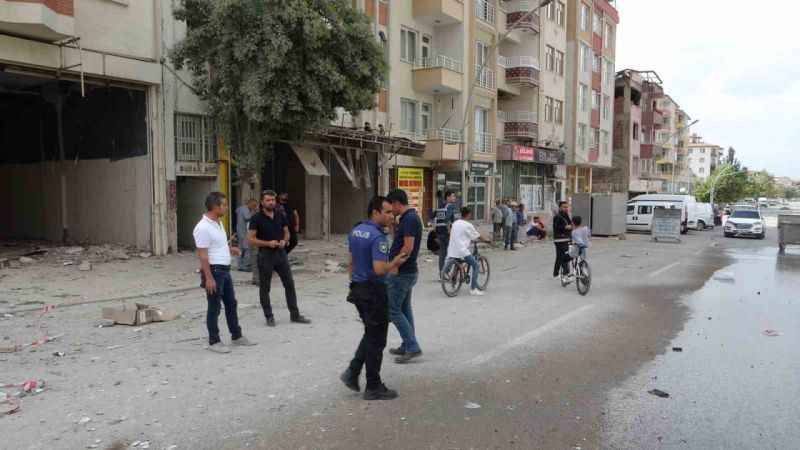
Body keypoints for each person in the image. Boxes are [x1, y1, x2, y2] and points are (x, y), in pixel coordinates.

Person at [340, 196, 409, 400]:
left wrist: (354, 285)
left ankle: (352, 373)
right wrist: (395, 262)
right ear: (375, 212)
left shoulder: (356, 231)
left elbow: (351, 262)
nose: (391, 216)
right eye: (387, 212)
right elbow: (380, 269)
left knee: (371, 332)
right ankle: (373, 385)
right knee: (377, 339)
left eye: (391, 212)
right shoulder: (378, 238)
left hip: (359, 289)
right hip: (373, 292)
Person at [193, 192, 256, 353]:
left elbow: (216, 245)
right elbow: (203, 254)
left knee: (231, 303)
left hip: (224, 270)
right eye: (224, 205)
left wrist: (230, 249)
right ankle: (214, 341)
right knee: (214, 306)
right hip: (214, 271)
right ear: (215, 207)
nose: (227, 208)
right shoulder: (202, 227)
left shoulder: (218, 223)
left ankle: (236, 336)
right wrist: (208, 278)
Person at [248, 190, 311, 327]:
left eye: (273, 200)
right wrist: (267, 243)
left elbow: (287, 232)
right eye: (268, 200)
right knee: (265, 287)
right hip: (265, 255)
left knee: (289, 283)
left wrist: (284, 240)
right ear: (262, 202)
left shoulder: (279, 215)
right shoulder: (256, 218)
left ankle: (295, 315)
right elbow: (251, 239)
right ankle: (269, 316)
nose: (271, 202)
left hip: (281, 254)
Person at [385, 189, 423, 364]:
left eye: (390, 205)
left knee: (393, 310)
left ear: (396, 203)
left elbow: (407, 248)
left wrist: (394, 266)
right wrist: (394, 226)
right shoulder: (407, 219)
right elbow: (399, 241)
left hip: (402, 272)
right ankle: (407, 344)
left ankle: (412, 346)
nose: (389, 209)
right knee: (404, 309)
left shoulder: (409, 219)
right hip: (407, 271)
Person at [442, 207, 488, 296]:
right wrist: (486, 240)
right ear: (468, 214)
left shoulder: (455, 223)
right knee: (476, 266)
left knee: (459, 260)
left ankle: (454, 277)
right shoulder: (468, 225)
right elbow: (477, 236)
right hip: (461, 250)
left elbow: (459, 235)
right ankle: (473, 289)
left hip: (452, 249)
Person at [434, 191, 460, 274]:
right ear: (447, 197)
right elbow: (448, 219)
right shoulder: (451, 206)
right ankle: (446, 271)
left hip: (439, 233)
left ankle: (442, 272)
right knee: (454, 253)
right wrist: (450, 232)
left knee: (442, 254)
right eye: (453, 196)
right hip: (447, 234)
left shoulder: (440, 206)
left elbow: (434, 218)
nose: (454, 198)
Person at [235, 199, 258, 272]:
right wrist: (254, 212)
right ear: (250, 204)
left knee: (242, 248)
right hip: (243, 232)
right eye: (253, 205)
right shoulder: (245, 209)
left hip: (241, 231)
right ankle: (245, 266)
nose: (254, 207)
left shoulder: (241, 208)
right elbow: (247, 217)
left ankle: (240, 265)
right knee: (246, 249)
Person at [553, 201, 574, 279]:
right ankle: (566, 274)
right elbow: (556, 228)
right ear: (560, 207)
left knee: (559, 257)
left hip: (566, 238)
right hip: (559, 239)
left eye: (567, 207)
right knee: (564, 256)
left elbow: (570, 224)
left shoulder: (566, 215)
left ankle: (556, 273)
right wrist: (565, 227)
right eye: (564, 207)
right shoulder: (557, 217)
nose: (566, 208)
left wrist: (572, 226)